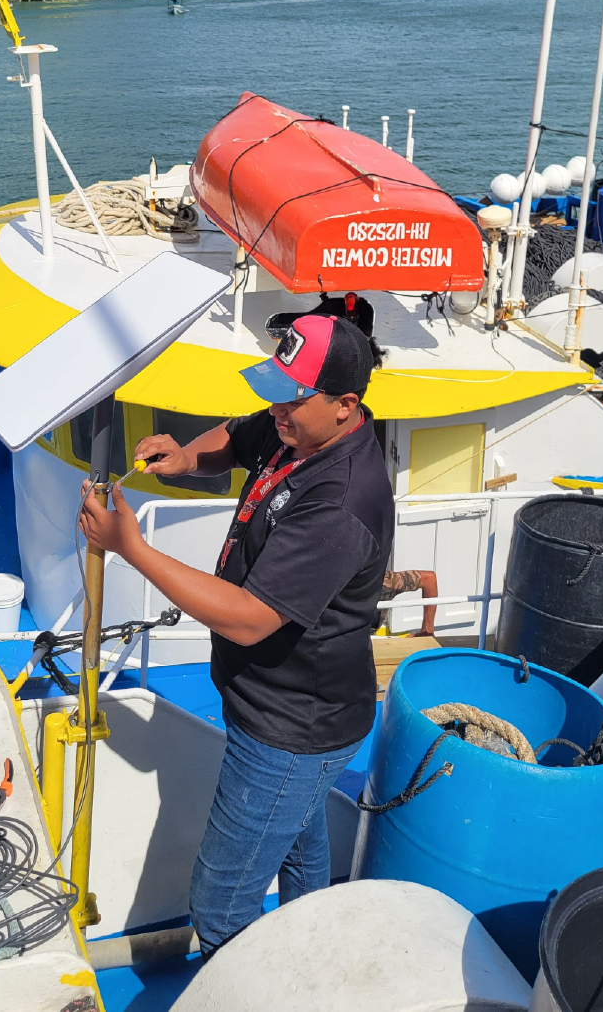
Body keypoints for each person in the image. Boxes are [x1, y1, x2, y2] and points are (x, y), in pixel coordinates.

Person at [80, 312, 392, 956]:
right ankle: (309, 956)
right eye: (274, 392)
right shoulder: (298, 431)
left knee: (221, 908)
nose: (277, 411)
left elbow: (251, 619)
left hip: (292, 728)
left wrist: (130, 548)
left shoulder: (341, 499)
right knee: (302, 848)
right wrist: (188, 455)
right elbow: (239, 435)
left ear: (346, 406)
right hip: (276, 708)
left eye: (293, 399)